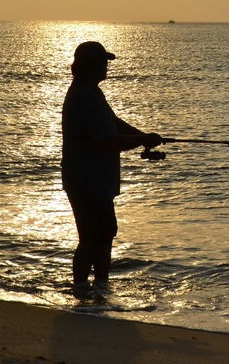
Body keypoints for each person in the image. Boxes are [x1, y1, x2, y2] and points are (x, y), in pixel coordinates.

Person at [61, 41, 163, 288]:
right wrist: (141, 140)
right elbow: (106, 142)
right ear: (92, 66)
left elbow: (113, 123)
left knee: (104, 236)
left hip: (96, 180)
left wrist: (143, 137)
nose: (107, 66)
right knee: (91, 238)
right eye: (103, 62)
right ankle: (82, 289)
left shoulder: (91, 91)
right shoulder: (85, 95)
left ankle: (100, 288)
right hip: (87, 180)